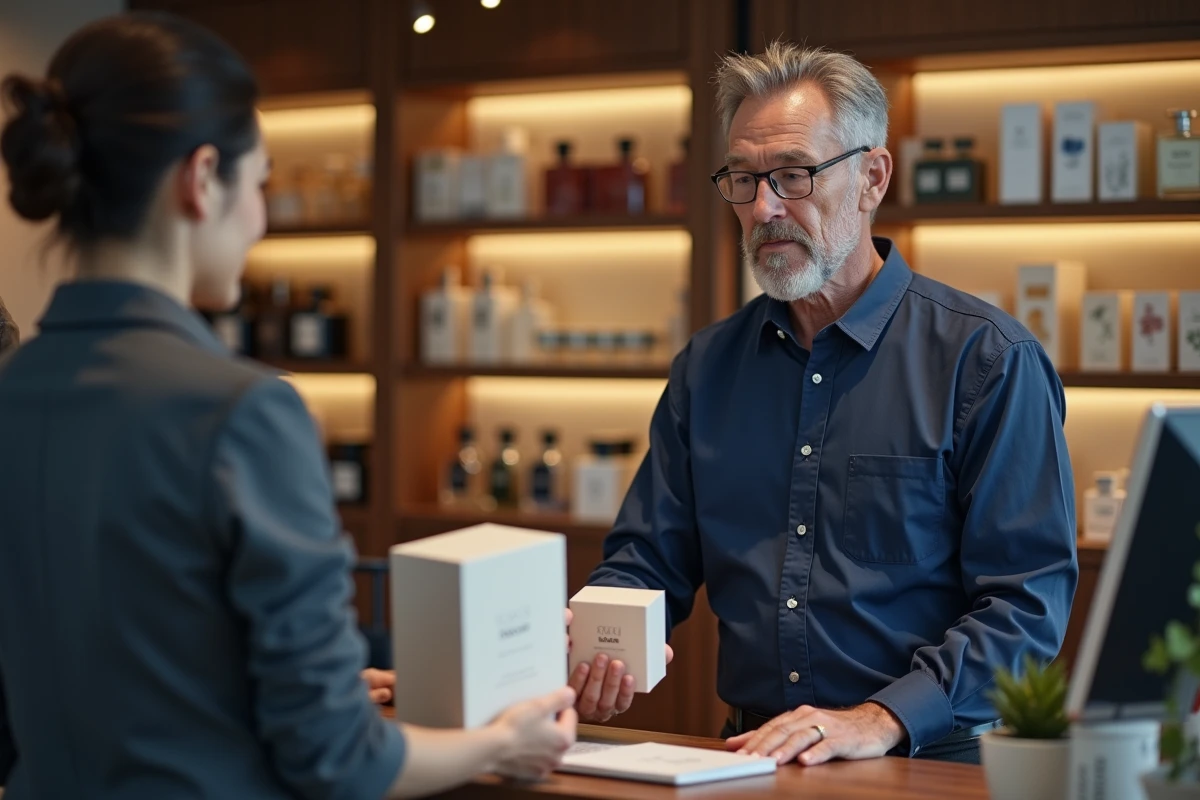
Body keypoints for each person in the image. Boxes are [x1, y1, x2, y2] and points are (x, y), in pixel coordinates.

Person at [0, 13, 575, 799]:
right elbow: (342, 761)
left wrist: (306, 688)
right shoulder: (243, 413)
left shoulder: (16, 391)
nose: (261, 218)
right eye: (260, 181)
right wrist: (502, 741)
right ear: (202, 179)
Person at [568, 42, 1078, 767]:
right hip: (752, 758)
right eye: (742, 180)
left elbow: (1028, 608)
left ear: (872, 177)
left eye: (793, 176)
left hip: (931, 762)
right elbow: (648, 559)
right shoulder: (707, 369)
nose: (764, 208)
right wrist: (589, 645)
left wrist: (879, 717)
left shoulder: (987, 362)